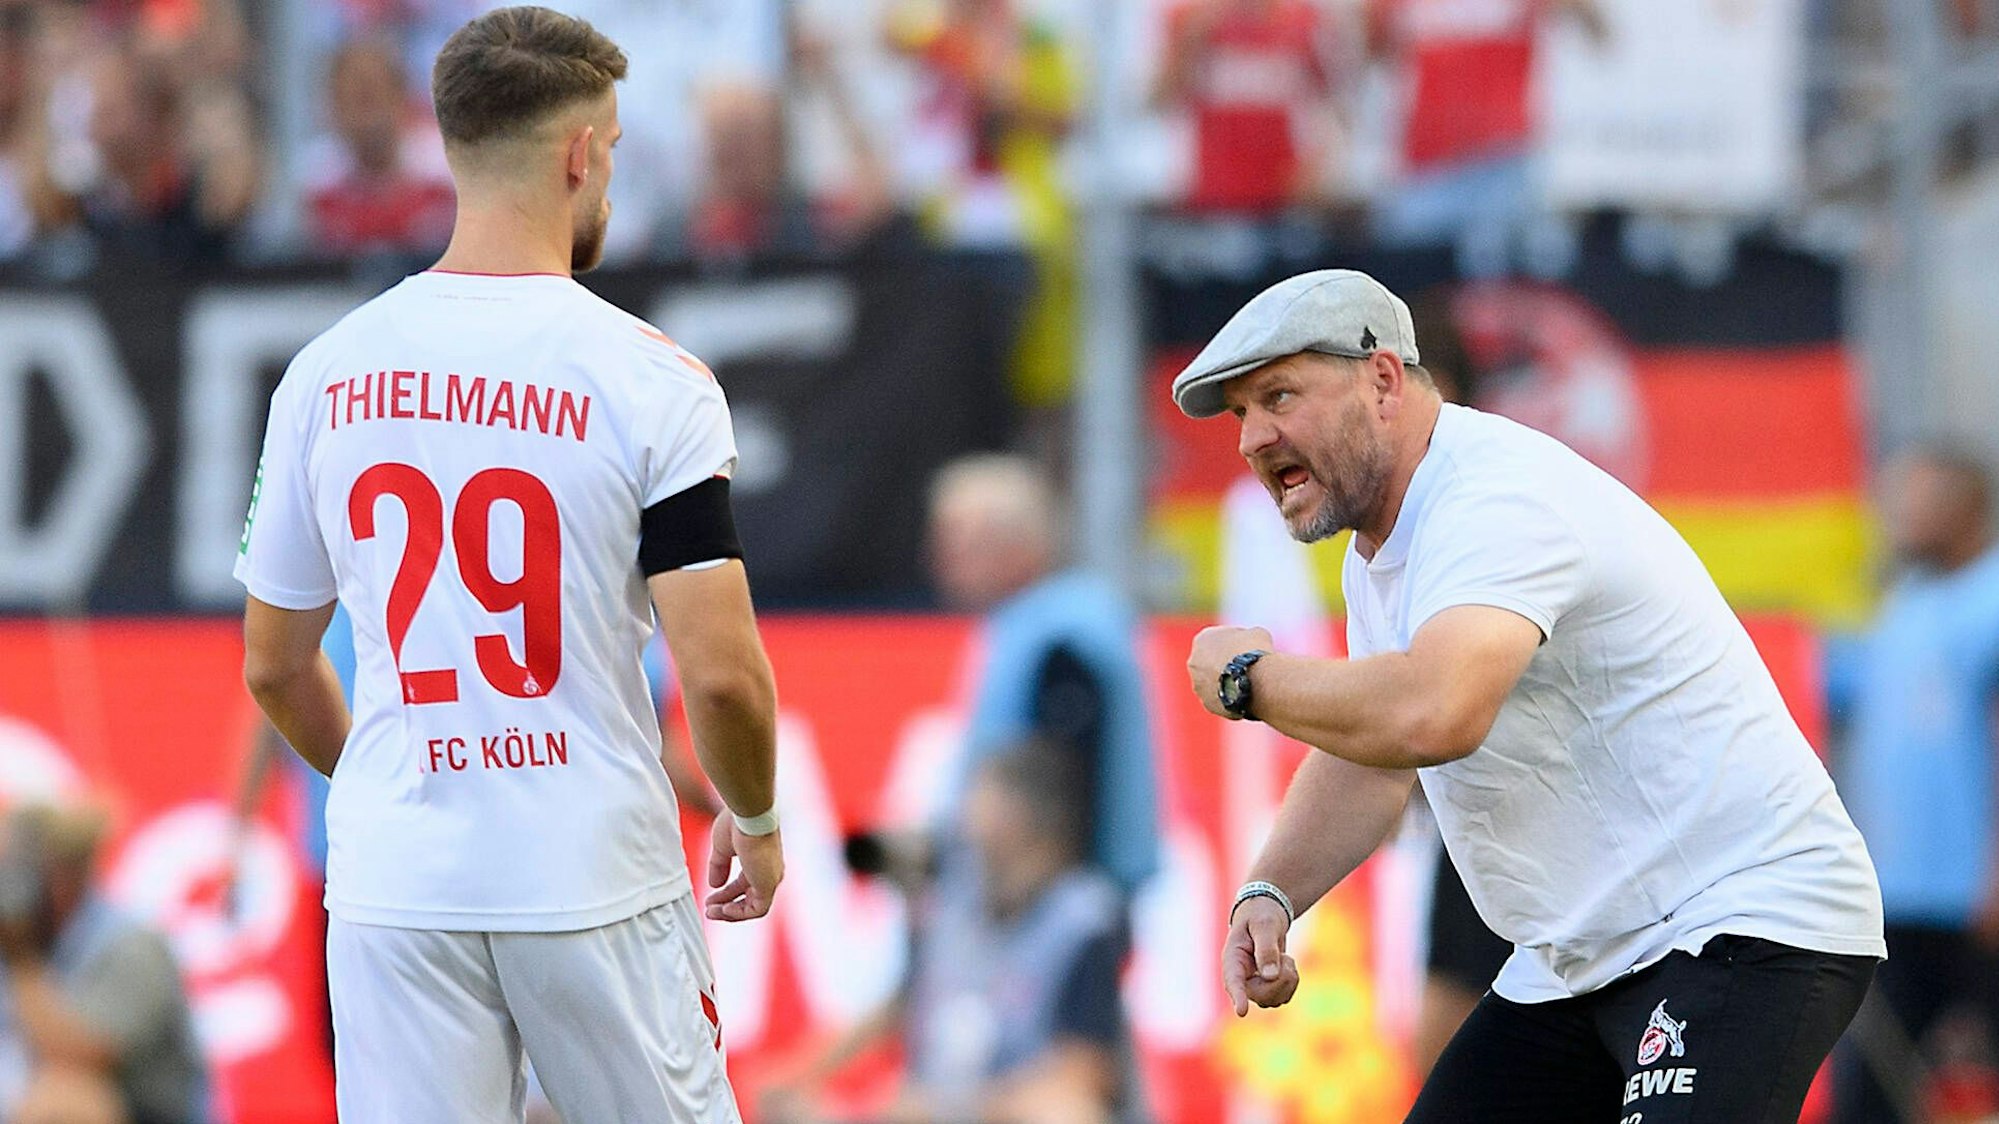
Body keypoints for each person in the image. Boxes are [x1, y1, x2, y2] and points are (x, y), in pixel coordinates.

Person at [233, 8, 783, 1122]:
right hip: (591, 870)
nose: (611, 182)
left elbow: (273, 666)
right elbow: (720, 673)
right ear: (579, 154)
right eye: (615, 150)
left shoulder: (324, 375)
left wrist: (400, 775)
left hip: (397, 883)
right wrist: (759, 823)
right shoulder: (649, 378)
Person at [1171, 268, 1886, 1122]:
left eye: (1278, 396)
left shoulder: (1492, 498)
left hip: (1738, 923)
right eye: (1240, 414)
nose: (1252, 438)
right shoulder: (1389, 540)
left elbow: (1433, 712)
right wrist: (1271, 891)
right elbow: (1377, 758)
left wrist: (1249, 680)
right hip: (1579, 956)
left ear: (1384, 378)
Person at [762, 743, 1133, 1124]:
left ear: (1020, 815)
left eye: (980, 795)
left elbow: (1085, 1074)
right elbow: (905, 1002)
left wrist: (944, 1109)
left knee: (1067, 1115)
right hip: (933, 1103)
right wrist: (799, 1075)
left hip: (1002, 1106)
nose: (964, 814)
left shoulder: (1083, 921)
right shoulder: (954, 900)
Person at [1827, 444, 1999, 1122]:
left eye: (1914, 497)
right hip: (1897, 894)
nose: (1894, 513)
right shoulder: (1898, 605)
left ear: (1965, 505)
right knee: (1873, 1088)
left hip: (1975, 897)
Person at [928, 454, 1159, 904]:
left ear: (1020, 546)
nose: (943, 560)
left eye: (963, 543)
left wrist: (1023, 897)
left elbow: (1067, 774)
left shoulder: (1063, 639)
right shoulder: (1040, 626)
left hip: (1053, 896)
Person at [0, 801, 210, 1124]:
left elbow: (84, 1057)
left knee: (67, 1102)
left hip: (146, 1112)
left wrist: (21, 960)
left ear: (62, 875)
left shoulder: (131, 945)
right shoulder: (33, 941)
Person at [300, 35, 456, 258]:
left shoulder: (447, 175)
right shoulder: (315, 184)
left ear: (402, 98)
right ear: (332, 107)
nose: (367, 118)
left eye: (372, 97)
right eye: (353, 100)